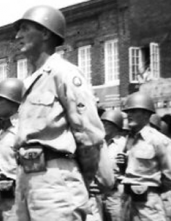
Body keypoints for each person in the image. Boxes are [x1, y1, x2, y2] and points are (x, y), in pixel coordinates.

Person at [13, 5, 105, 220]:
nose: (18, 36)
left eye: (26, 29)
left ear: (45, 33)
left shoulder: (64, 73)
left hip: (55, 180)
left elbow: (89, 135)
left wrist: (76, 175)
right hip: (27, 179)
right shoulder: (31, 81)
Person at [118, 92, 171, 220]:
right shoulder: (130, 140)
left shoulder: (158, 140)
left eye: (134, 111)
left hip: (148, 204)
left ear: (146, 114)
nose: (129, 115)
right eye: (128, 112)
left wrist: (152, 190)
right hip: (127, 201)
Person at [0, 78, 24, 220]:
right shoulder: (4, 131)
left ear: (14, 101)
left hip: (16, 198)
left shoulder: (22, 129)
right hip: (1, 195)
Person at [99, 109, 127, 221]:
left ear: (116, 126)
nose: (103, 126)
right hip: (99, 193)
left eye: (107, 123)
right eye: (103, 123)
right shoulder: (98, 144)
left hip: (116, 194)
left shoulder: (123, 144)